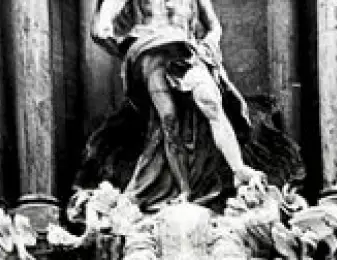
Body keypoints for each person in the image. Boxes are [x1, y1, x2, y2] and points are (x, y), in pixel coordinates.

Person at [92, 0, 266, 211]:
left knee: (210, 101)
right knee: (169, 119)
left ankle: (238, 168)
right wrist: (128, 52)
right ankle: (184, 190)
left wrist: (209, 44)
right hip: (150, 53)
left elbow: (214, 26)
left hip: (187, 51)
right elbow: (101, 30)